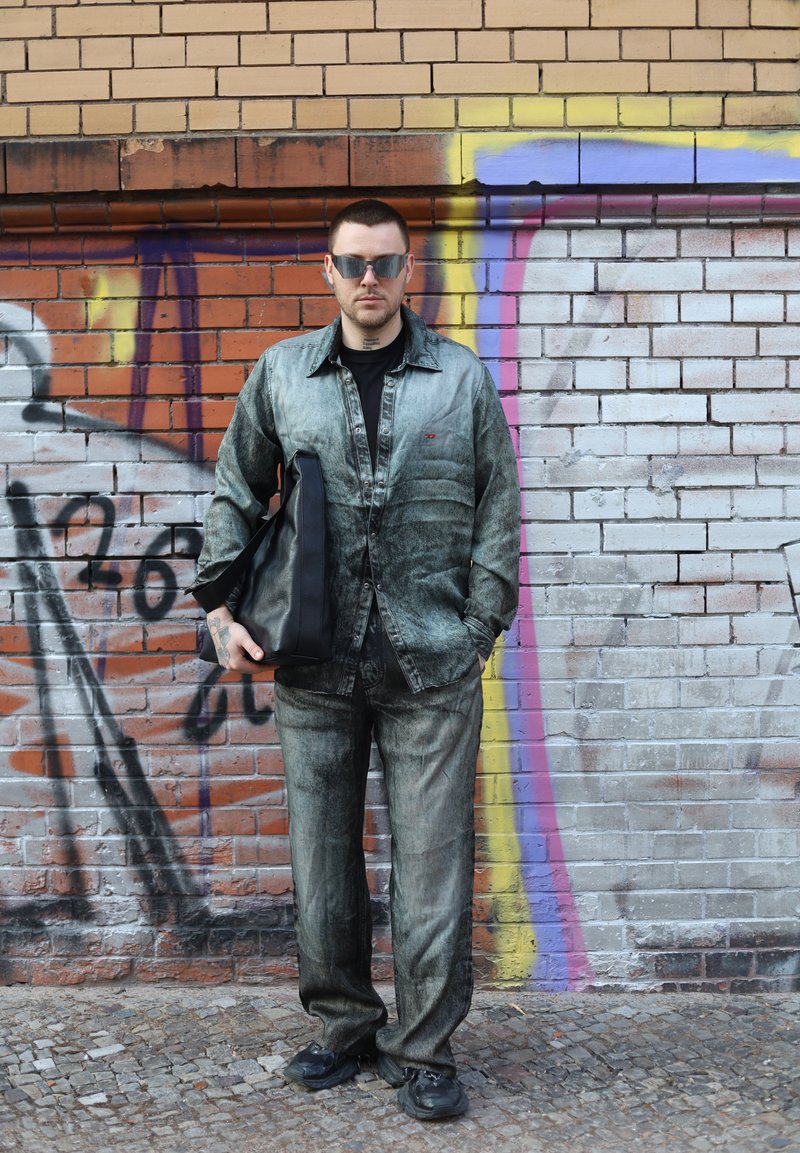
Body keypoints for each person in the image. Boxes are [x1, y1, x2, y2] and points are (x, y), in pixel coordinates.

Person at [191, 199, 520, 1121]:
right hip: (316, 667)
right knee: (321, 860)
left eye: (385, 263)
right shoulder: (283, 374)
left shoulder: (460, 379)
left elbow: (499, 507)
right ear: (326, 273)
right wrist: (218, 607)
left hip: (434, 663)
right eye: (352, 264)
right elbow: (235, 487)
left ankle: (422, 1049)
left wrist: (479, 623)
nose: (369, 280)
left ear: (408, 270)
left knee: (432, 866)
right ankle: (342, 1025)